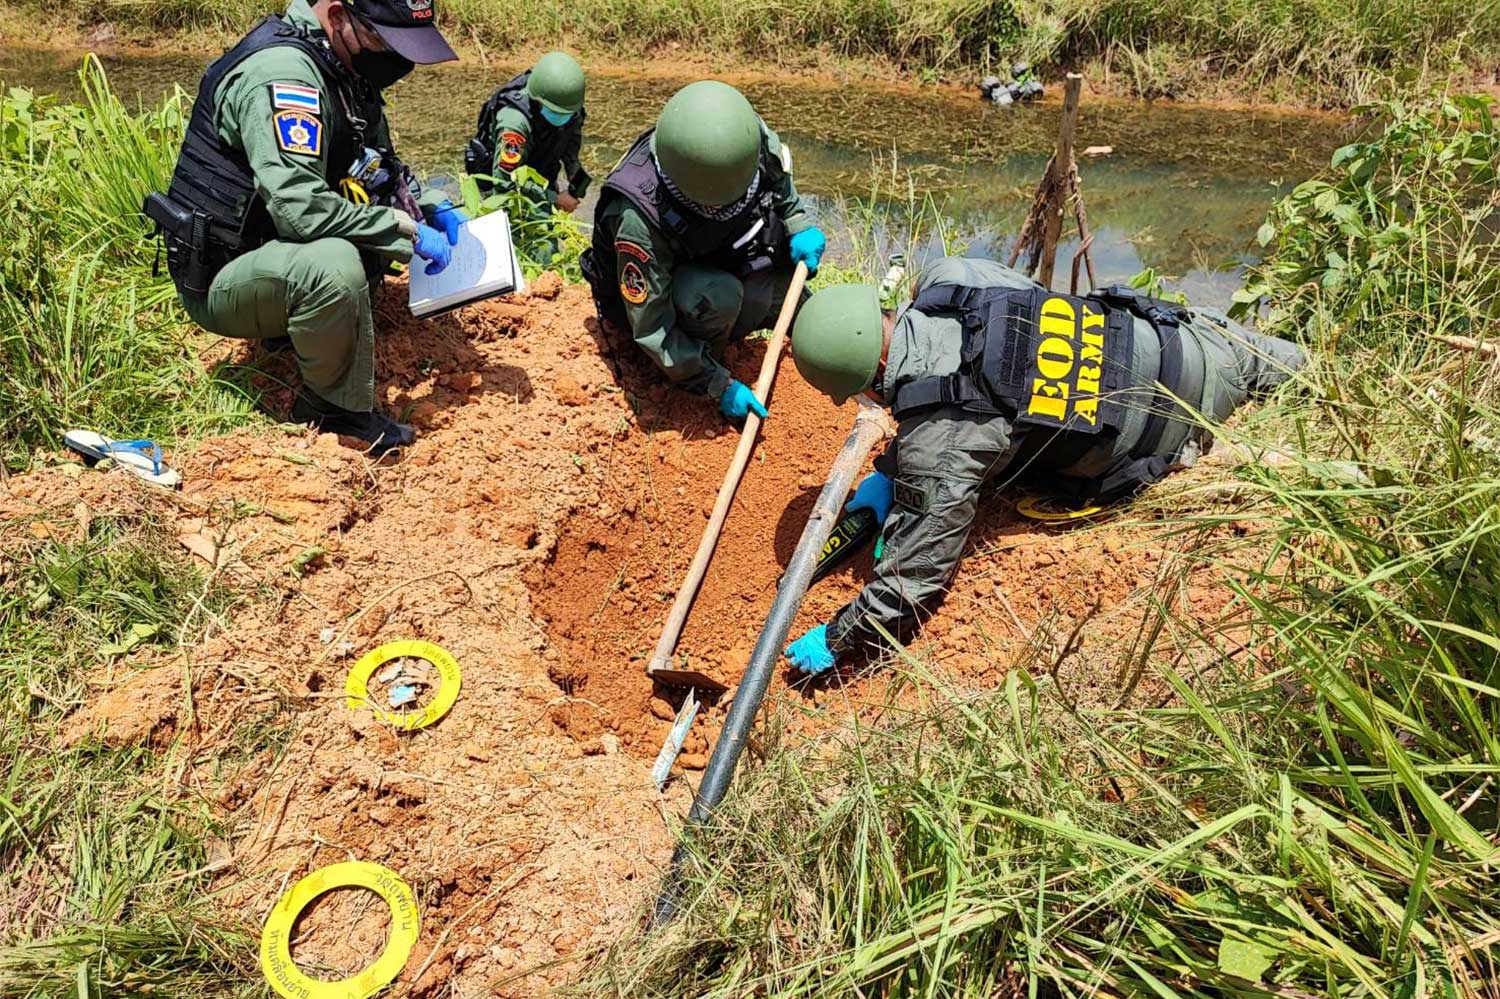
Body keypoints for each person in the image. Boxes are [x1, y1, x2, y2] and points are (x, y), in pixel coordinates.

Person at [782, 257, 1306, 674]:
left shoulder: (939, 446)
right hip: (1194, 340)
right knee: (1325, 373)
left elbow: (913, 581)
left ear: (871, 377)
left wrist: (839, 636)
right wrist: (895, 469)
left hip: (1177, 428)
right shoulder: (952, 275)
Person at [145, 0, 464, 455]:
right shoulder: (283, 75)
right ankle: (332, 412)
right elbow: (300, 210)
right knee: (333, 266)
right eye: (385, 42)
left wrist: (427, 204)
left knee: (355, 244)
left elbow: (374, 164)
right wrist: (402, 228)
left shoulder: (342, 63)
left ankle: (302, 329)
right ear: (337, 16)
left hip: (273, 252)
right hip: (225, 274)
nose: (398, 59)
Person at [581, 80, 826, 423]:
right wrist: (718, 385)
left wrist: (797, 222)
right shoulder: (638, 219)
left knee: (790, 294)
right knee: (718, 296)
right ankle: (699, 367)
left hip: (713, 254)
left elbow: (777, 176)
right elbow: (652, 327)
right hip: (670, 298)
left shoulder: (743, 136)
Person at [464, 51, 590, 215]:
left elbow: (570, 147)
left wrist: (574, 174)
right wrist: (555, 199)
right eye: (555, 112)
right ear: (537, 101)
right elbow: (505, 182)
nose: (562, 118)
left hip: (541, 175)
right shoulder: (515, 123)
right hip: (506, 190)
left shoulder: (571, 110)